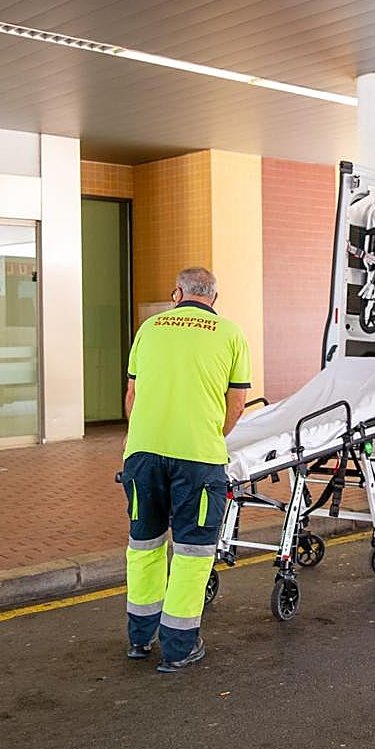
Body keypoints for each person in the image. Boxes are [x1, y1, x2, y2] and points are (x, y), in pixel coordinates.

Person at [120, 266, 251, 673]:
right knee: (193, 551)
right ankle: (178, 648)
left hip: (141, 454)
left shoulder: (150, 328)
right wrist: (213, 436)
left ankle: (140, 639)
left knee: (144, 544)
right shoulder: (230, 334)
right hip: (198, 458)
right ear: (214, 297)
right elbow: (237, 405)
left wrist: (144, 436)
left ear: (176, 292)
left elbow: (132, 394)